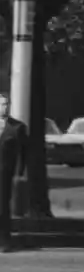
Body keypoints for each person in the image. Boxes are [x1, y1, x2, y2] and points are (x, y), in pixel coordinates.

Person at [0, 93, 27, 253]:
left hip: (5, 175)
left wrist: (19, 173)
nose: (5, 107)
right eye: (2, 104)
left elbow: (22, 153)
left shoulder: (17, 128)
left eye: (6, 104)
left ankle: (4, 240)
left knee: (3, 207)